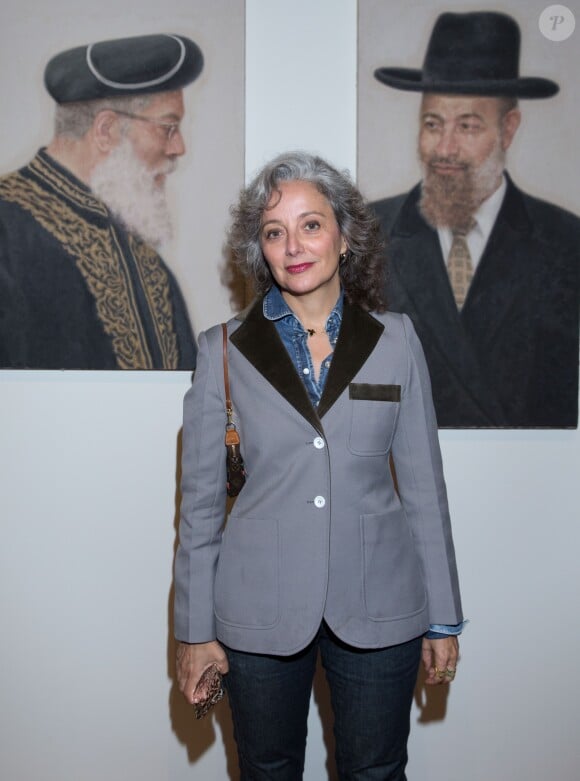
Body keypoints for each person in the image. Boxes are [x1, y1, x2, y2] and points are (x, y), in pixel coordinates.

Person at [174, 151, 464, 780]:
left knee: (377, 771)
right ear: (260, 249)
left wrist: (442, 615)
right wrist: (195, 632)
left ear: (345, 234)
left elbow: (423, 490)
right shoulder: (221, 350)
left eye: (310, 224)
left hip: (380, 603)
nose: (293, 245)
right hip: (259, 610)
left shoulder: (396, 340)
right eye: (274, 231)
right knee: (268, 769)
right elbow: (198, 508)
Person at [370, 11, 580, 428]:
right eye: (433, 124)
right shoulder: (369, 232)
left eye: (467, 126)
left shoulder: (566, 243)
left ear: (508, 129)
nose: (444, 148)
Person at [0, 33, 202, 369]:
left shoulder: (147, 263)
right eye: (168, 127)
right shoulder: (6, 230)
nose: (178, 148)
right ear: (106, 130)